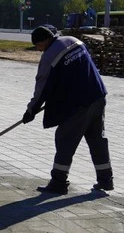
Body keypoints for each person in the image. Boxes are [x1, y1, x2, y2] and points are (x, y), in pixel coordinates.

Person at [23, 24, 113, 194]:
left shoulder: (50, 55)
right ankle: (106, 180)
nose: (39, 49)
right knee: (96, 140)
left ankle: (58, 182)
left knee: (64, 139)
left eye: (38, 46)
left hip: (79, 104)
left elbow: (41, 87)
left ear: (45, 40)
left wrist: (31, 110)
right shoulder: (74, 41)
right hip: (97, 95)